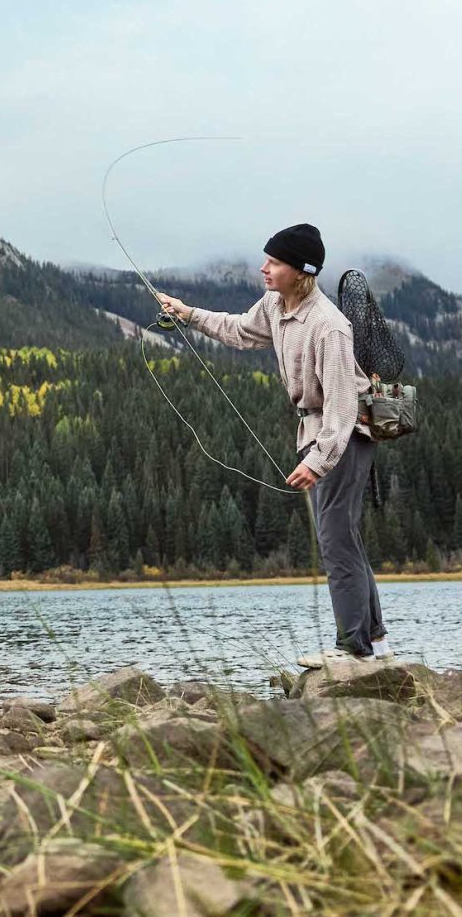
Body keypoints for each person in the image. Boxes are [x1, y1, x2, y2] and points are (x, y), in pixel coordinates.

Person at [154, 223, 388, 664]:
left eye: (274, 262)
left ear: (300, 271)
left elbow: (341, 407)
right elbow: (240, 330)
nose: (264, 268)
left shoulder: (329, 327)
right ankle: (376, 645)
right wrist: (187, 313)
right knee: (345, 539)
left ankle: (353, 650)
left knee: (336, 543)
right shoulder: (275, 305)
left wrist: (319, 461)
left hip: (344, 439)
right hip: (317, 435)